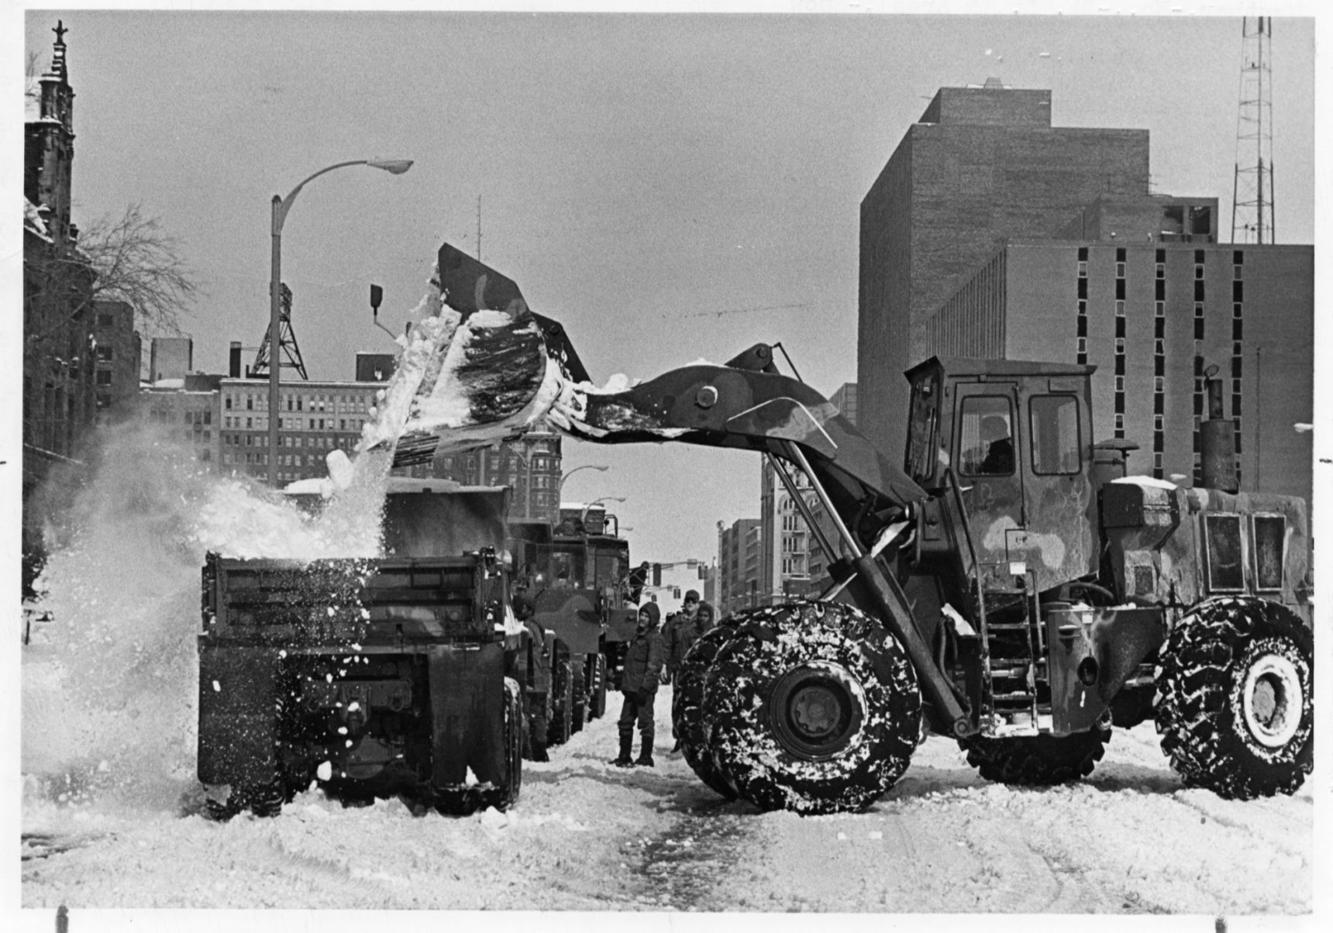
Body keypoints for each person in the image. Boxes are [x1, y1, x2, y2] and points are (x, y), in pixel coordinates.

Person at [610, 601, 665, 768]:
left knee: (645, 723)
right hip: (631, 688)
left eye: (646, 616)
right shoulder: (637, 636)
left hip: (642, 690)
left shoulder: (654, 638)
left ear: (653, 619)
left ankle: (646, 757)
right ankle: (624, 755)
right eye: (641, 614)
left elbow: (654, 665)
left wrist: (645, 687)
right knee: (625, 722)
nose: (642, 618)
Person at [665, 599, 717, 751]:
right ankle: (680, 739)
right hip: (690, 677)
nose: (702, 618)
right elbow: (682, 654)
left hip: (707, 678)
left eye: (706, 616)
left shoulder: (715, 633)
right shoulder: (689, 633)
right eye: (700, 615)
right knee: (681, 708)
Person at [512, 591, 550, 762]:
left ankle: (536, 753)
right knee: (538, 716)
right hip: (539, 681)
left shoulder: (528, 629)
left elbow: (530, 658)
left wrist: (526, 682)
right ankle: (539, 751)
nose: (515, 611)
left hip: (532, 682)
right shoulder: (536, 626)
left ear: (526, 608)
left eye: (518, 608)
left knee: (532, 716)